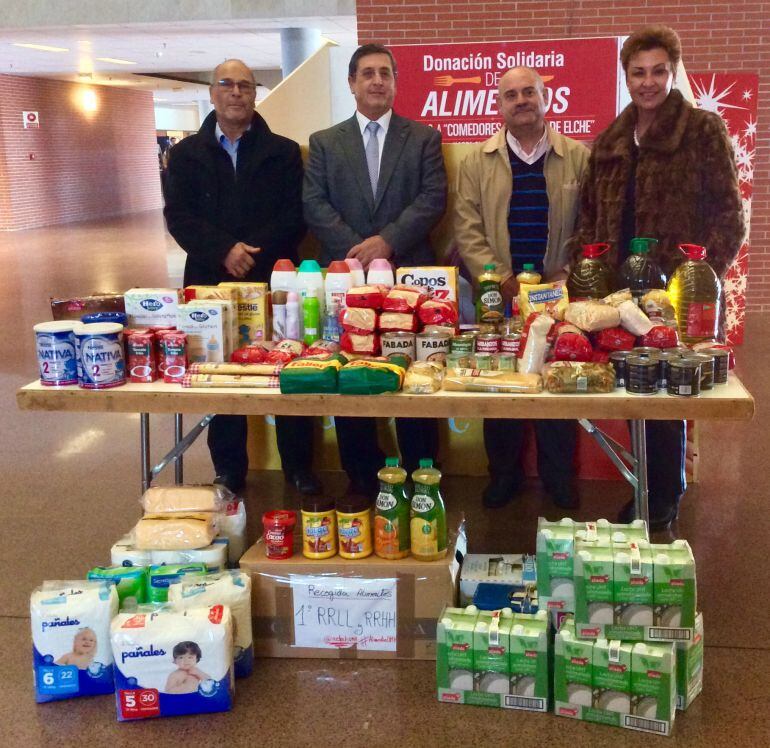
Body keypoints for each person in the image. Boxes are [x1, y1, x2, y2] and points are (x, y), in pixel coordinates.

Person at [571, 25, 744, 530]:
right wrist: (592, 272)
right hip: (621, 295)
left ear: (673, 73)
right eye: (638, 72)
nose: (648, 82)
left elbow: (729, 215)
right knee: (636, 392)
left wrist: (698, 280)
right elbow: (587, 216)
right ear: (626, 76)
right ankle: (652, 489)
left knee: (672, 397)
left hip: (676, 294)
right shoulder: (609, 140)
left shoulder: (701, 130)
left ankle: (665, 497)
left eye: (658, 72)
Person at [164, 59, 320, 495]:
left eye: (246, 86)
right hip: (210, 282)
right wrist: (223, 251)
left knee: (288, 367)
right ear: (213, 93)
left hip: (274, 277)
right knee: (221, 371)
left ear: (255, 94)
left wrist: (249, 253)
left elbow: (295, 217)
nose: (236, 93)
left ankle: (299, 467)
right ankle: (229, 468)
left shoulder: (284, 152)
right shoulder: (185, 155)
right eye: (227, 85)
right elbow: (178, 216)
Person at [303, 44, 447, 495]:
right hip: (349, 278)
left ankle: (420, 474)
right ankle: (361, 476)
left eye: (385, 73)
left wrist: (387, 241)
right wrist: (355, 249)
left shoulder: (423, 137)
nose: (377, 80)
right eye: (367, 73)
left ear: (396, 83)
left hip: (408, 276)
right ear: (352, 83)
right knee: (353, 370)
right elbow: (314, 203)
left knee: (412, 374)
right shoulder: (325, 142)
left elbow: (432, 198)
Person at [454, 66, 590, 510]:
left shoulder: (578, 157)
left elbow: (589, 226)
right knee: (501, 386)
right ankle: (504, 475)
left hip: (560, 294)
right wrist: (502, 281)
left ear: (545, 98)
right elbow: (468, 229)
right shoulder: (477, 161)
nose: (520, 101)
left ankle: (558, 478)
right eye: (510, 95)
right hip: (500, 297)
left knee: (558, 383)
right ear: (500, 106)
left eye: (528, 92)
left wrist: (566, 277)